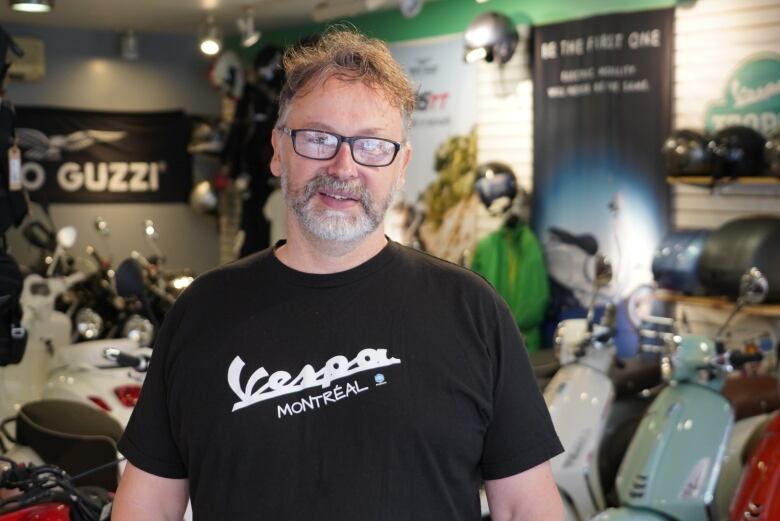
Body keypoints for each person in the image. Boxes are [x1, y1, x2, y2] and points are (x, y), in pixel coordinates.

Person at [113, 28, 564, 521]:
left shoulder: (472, 310)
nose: (343, 165)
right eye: (318, 138)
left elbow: (526, 505)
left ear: (402, 166)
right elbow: (148, 504)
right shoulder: (202, 310)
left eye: (372, 145)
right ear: (278, 150)